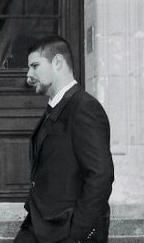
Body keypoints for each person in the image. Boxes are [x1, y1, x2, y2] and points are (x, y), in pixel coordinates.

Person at [15, 35, 114, 243]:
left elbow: (101, 175)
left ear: (58, 62)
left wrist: (77, 233)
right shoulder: (55, 107)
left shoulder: (84, 107)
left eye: (35, 66)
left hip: (66, 230)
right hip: (41, 225)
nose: (29, 75)